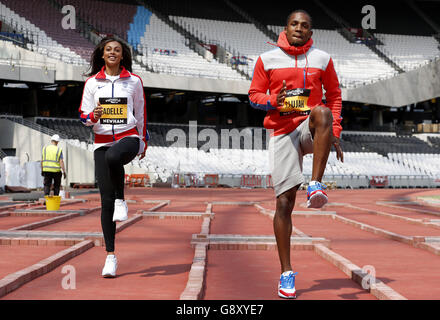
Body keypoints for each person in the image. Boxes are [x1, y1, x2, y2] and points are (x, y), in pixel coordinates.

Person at [248, 10, 344, 299]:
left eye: (305, 25)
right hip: (281, 131)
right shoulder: (267, 59)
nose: (299, 28)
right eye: (294, 24)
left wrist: (335, 131)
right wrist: (270, 100)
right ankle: (286, 272)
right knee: (283, 203)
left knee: (323, 111)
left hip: (309, 128)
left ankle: (315, 183)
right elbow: (253, 95)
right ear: (285, 27)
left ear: (311, 30)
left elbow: (335, 95)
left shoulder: (322, 59)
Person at [79, 36, 149, 278]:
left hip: (128, 136)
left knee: (114, 157)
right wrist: (93, 116)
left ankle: (122, 199)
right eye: (108, 49)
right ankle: (110, 256)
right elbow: (83, 116)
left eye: (117, 50)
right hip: (101, 141)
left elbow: (140, 112)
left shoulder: (134, 81)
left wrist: (143, 142)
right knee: (105, 202)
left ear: (122, 56)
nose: (112, 53)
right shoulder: (91, 83)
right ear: (102, 54)